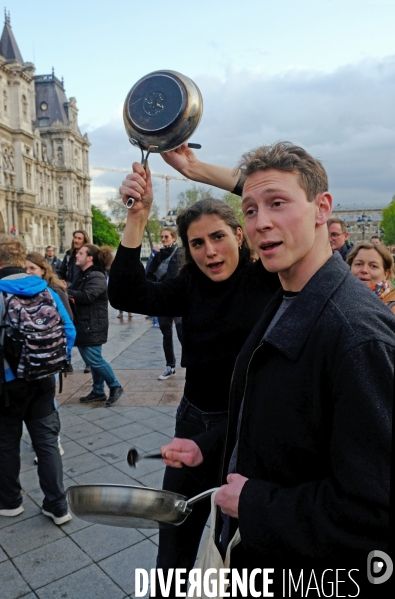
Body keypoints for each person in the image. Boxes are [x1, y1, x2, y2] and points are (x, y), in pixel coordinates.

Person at [160, 142, 394, 595]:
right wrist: (210, 445)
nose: (261, 221)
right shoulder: (288, 296)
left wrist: (255, 503)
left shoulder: (358, 337)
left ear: (322, 209)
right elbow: (283, 414)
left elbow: (374, 511)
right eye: (249, 210)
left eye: (278, 204)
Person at [108, 163, 279, 594]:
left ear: (240, 235)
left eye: (218, 236)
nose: (209, 252)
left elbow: (273, 191)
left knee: (240, 547)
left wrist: (196, 170)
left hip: (247, 429)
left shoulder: (267, 280)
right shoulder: (189, 284)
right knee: (175, 536)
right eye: (197, 243)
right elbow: (126, 293)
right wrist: (136, 217)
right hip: (192, 422)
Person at [0, 236, 75, 526]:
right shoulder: (45, 289)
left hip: (7, 383)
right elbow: (69, 331)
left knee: (6, 441)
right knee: (46, 442)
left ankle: (10, 502)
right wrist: (52, 361)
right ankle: (57, 506)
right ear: (21, 262)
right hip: (44, 379)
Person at [25, 252, 76, 460]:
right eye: (25, 268)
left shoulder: (53, 291)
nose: (28, 273)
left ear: (43, 271)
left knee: (46, 405)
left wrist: (62, 357)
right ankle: (43, 440)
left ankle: (53, 441)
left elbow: (69, 325)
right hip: (31, 359)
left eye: (32, 269)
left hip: (48, 358)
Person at [68, 244, 123, 407]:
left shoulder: (96, 276)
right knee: (92, 359)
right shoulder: (85, 275)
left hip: (92, 324)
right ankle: (98, 390)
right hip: (86, 323)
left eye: (80, 253)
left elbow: (87, 296)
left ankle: (115, 386)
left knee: (94, 358)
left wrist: (66, 291)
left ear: (90, 258)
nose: (77, 255)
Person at [146, 228, 183, 380]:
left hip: (178, 300)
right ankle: (170, 366)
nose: (163, 239)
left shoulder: (180, 254)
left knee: (183, 334)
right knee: (166, 335)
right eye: (161, 237)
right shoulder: (158, 255)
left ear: (174, 238)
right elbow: (148, 275)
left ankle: (191, 366)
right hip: (162, 300)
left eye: (166, 237)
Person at [58, 230, 91, 373]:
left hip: (80, 293)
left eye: (79, 238)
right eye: (75, 238)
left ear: (84, 240)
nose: (76, 240)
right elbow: (60, 271)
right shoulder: (68, 255)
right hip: (69, 293)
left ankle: (89, 362)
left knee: (84, 330)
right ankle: (67, 361)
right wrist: (61, 280)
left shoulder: (89, 255)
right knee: (67, 327)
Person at [346, 241, 395, 314]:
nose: (364, 270)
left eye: (373, 266)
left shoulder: (392, 307)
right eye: (358, 264)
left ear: (386, 274)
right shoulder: (338, 299)